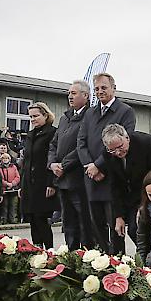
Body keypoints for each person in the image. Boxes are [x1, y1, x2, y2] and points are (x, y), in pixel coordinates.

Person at [77, 73, 135, 253]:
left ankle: (118, 263)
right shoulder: (90, 114)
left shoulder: (125, 111)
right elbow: (81, 142)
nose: (100, 91)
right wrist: (89, 166)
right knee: (97, 226)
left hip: (112, 177)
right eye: (97, 89)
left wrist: (99, 166)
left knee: (115, 226)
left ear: (113, 88)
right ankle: (102, 263)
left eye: (104, 87)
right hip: (92, 178)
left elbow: (125, 141)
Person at [101, 124, 151, 248]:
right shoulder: (108, 154)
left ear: (127, 138)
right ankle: (148, 258)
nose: (118, 152)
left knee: (150, 228)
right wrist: (119, 216)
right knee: (134, 230)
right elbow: (115, 186)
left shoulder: (147, 143)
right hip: (132, 195)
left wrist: (144, 205)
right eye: (112, 150)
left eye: (120, 147)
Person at [47, 80, 93, 249]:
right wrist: (52, 164)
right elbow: (53, 144)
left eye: (74, 93)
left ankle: (87, 255)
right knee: (68, 223)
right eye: (69, 93)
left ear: (85, 96)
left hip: (79, 180)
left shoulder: (90, 116)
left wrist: (64, 165)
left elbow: (82, 146)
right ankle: (72, 255)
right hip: (62, 180)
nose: (70, 96)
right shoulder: (65, 118)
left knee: (84, 222)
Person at [20, 102, 57, 249]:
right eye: (30, 117)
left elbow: (53, 159)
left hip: (43, 183)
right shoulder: (30, 135)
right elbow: (26, 162)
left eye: (36, 116)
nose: (33, 119)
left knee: (42, 220)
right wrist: (22, 185)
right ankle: (36, 250)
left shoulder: (52, 133)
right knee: (33, 220)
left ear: (45, 115)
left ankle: (49, 251)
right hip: (29, 183)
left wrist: (52, 183)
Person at [0, 152, 20, 224]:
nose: (5, 160)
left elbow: (17, 177)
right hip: (4, 189)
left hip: (13, 188)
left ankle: (13, 219)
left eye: (7, 158)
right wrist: (7, 184)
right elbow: (0, 178)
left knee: (13, 205)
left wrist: (12, 183)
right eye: (3, 158)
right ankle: (3, 220)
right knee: (4, 205)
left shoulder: (13, 167)